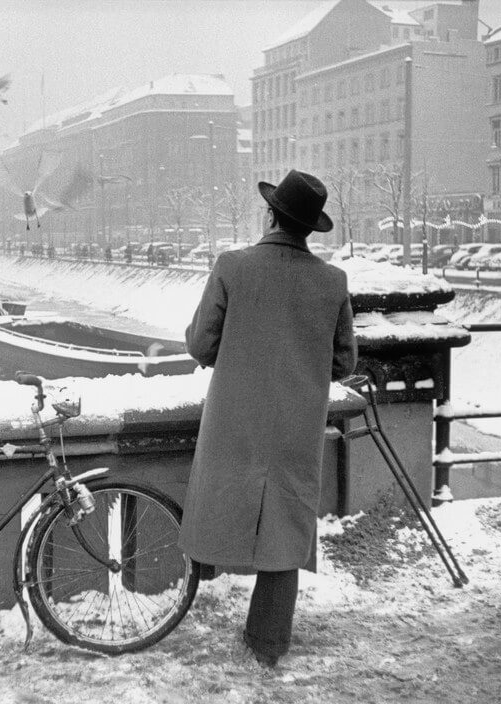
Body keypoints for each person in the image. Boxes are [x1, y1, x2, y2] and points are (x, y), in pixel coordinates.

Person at [179, 169, 357, 668]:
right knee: (285, 525)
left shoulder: (232, 267)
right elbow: (344, 363)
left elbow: (201, 344)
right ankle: (268, 640)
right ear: (308, 227)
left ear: (271, 214)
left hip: (235, 419)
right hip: (296, 424)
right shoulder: (333, 282)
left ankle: (197, 590)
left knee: (221, 501)